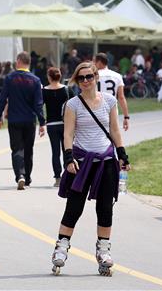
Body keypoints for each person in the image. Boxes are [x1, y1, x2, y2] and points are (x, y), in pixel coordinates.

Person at [51, 62, 131, 276]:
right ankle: (61, 248)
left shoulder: (110, 101)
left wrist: (122, 154)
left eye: (88, 77)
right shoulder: (72, 105)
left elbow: (114, 129)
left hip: (105, 161)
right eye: (81, 78)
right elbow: (68, 134)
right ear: (77, 81)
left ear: (96, 77)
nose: (85, 81)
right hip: (81, 161)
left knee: (105, 208)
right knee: (74, 208)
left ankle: (103, 250)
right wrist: (68, 158)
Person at [0, 52, 46, 190]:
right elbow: (38, 104)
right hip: (29, 120)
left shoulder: (10, 78)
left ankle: (20, 175)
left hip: (14, 119)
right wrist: (42, 122)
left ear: (18, 61)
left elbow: (3, 99)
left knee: (17, 149)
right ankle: (28, 178)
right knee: (29, 149)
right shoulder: (35, 80)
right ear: (28, 63)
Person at [42, 67, 73, 187]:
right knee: (67, 150)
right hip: (66, 124)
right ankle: (68, 175)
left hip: (51, 125)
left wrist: (42, 122)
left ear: (49, 77)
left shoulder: (44, 91)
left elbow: (40, 106)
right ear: (60, 76)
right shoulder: (66, 89)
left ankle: (58, 178)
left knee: (55, 152)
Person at [94, 53, 130, 131]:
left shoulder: (94, 76)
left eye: (94, 62)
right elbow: (121, 97)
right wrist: (126, 116)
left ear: (99, 62)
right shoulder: (117, 76)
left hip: (96, 109)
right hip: (112, 110)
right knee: (112, 134)